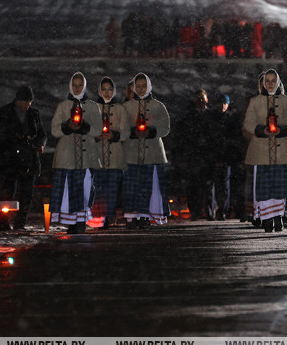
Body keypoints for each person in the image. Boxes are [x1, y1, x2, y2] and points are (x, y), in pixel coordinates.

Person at [243, 69, 287, 232]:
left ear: (278, 82)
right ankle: (267, 218)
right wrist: (261, 130)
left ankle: (278, 217)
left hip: (282, 152)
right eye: (266, 81)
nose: (269, 84)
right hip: (261, 151)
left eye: (272, 81)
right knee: (265, 187)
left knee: (280, 186)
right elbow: (248, 122)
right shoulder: (255, 101)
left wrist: (282, 130)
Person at [0, 86, 47, 231]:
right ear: (18, 101)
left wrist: (39, 144)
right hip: (10, 159)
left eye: (30, 103)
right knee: (7, 192)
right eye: (26, 102)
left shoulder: (34, 114)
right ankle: (3, 222)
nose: (27, 106)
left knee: (27, 194)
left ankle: (20, 223)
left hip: (29, 159)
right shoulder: (3, 113)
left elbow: (42, 134)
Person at [49, 72, 102, 234]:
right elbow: (55, 130)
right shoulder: (63, 106)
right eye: (74, 85)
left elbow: (98, 129)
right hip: (67, 156)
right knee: (68, 189)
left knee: (85, 188)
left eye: (80, 85)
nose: (77, 88)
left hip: (87, 156)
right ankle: (72, 221)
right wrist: (67, 126)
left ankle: (81, 219)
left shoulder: (93, 107)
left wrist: (84, 127)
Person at [122, 73, 171, 229]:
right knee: (132, 187)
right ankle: (132, 216)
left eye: (144, 86)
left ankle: (145, 215)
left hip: (153, 154)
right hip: (132, 153)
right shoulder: (127, 107)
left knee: (149, 187)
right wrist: (132, 132)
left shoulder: (158, 106)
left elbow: (165, 128)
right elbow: (121, 128)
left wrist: (151, 132)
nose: (141, 89)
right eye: (138, 86)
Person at [89, 77, 127, 229]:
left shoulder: (119, 109)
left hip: (114, 156)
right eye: (104, 89)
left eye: (109, 89)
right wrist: (96, 136)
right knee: (97, 189)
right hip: (97, 156)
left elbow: (126, 131)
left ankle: (109, 217)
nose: (106, 92)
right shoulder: (92, 109)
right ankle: (97, 218)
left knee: (111, 190)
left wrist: (115, 135)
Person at [174, 90, 215, 220]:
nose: (201, 101)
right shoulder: (188, 117)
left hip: (208, 155)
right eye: (198, 98)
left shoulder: (212, 116)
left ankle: (209, 211)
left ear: (207, 99)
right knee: (193, 186)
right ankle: (195, 211)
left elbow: (217, 136)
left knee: (209, 186)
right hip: (193, 156)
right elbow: (181, 138)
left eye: (202, 98)